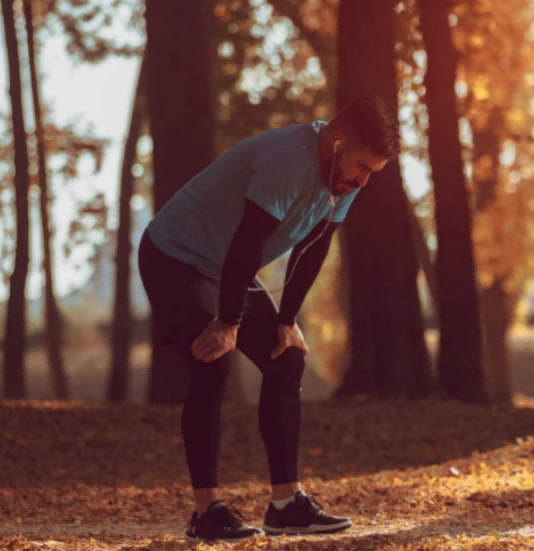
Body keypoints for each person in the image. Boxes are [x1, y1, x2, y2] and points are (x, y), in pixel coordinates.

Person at [137, 97, 398, 544]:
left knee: (286, 357)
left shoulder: (341, 181)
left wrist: (286, 319)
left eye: (372, 172)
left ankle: (285, 504)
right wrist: (227, 320)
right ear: (337, 141)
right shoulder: (288, 160)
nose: (363, 181)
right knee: (212, 358)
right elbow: (247, 244)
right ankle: (207, 513)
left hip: (225, 265)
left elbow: (314, 247)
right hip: (174, 256)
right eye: (361, 167)